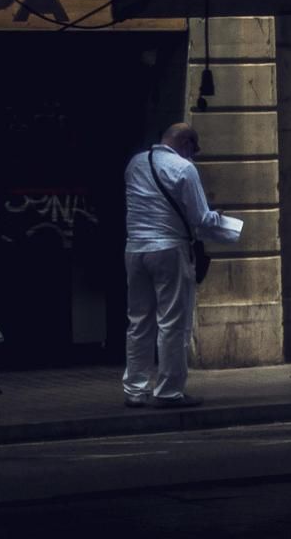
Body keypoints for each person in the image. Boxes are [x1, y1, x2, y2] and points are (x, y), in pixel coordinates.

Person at [123, 122, 243, 408]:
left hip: (135, 248)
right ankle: (168, 391)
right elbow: (200, 218)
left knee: (138, 321)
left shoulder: (135, 163)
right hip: (169, 249)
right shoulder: (184, 168)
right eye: (195, 148)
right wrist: (220, 218)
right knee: (173, 323)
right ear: (186, 143)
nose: (195, 154)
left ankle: (135, 389)